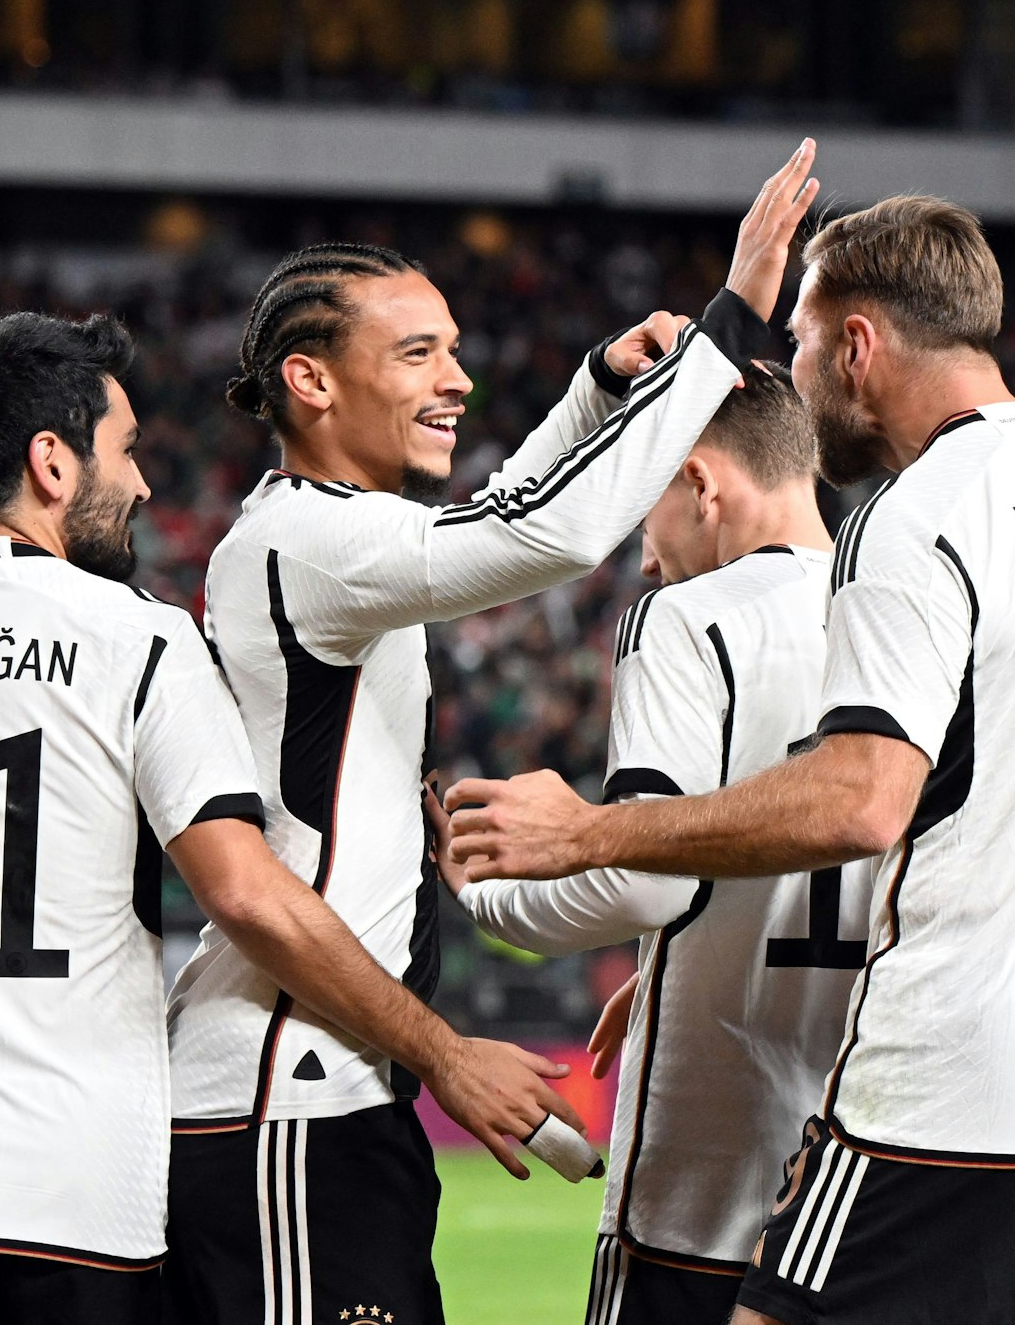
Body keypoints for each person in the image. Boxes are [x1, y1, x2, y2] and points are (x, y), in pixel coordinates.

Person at [0, 312, 583, 1325]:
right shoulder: (143, 643)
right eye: (128, 449)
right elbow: (242, 890)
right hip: (79, 1210)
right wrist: (443, 1051)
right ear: (52, 464)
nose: (146, 483)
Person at [446, 195, 1015, 1325]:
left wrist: (588, 832)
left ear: (858, 345)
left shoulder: (921, 510)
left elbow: (865, 801)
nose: (799, 373)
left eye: (805, 343)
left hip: (960, 1090)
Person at [164, 145, 821, 1325]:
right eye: (419, 353)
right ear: (310, 384)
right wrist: (727, 325)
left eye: (456, 348)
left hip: (324, 1093)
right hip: (282, 1099)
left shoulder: (331, 536)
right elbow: (544, 538)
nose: (456, 377)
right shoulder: (309, 542)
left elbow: (492, 512)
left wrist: (589, 392)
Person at [435, 368, 877, 1324]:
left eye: (644, 517)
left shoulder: (686, 618)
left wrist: (484, 893)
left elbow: (640, 887)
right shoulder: (908, 611)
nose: (642, 560)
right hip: (875, 1187)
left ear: (698, 483)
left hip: (709, 1179)